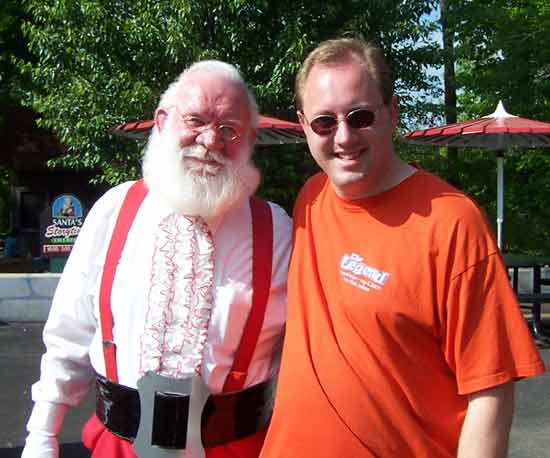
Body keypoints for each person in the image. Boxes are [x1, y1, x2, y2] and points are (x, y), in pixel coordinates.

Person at [260, 38, 546, 458]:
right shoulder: (310, 198)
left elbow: (490, 390)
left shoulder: (452, 222)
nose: (343, 136)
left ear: (391, 112)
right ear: (304, 125)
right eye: (324, 122)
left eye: (360, 117)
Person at [22, 60, 292, 458]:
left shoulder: (277, 228)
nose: (209, 140)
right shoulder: (114, 210)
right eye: (195, 119)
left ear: (250, 140)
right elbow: (69, 332)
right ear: (163, 121)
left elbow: (299, 351)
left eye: (229, 129)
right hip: (118, 446)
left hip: (236, 448)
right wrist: (42, 435)